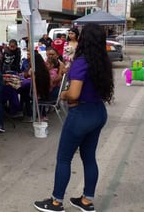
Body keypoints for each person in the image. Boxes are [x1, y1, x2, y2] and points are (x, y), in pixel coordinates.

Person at [34, 23, 114, 212]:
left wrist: (63, 94)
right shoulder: (102, 62)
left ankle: (56, 202)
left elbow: (74, 93)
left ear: (84, 39)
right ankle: (87, 200)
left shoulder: (81, 61)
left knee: (64, 158)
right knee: (89, 157)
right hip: (98, 112)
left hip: (81, 114)